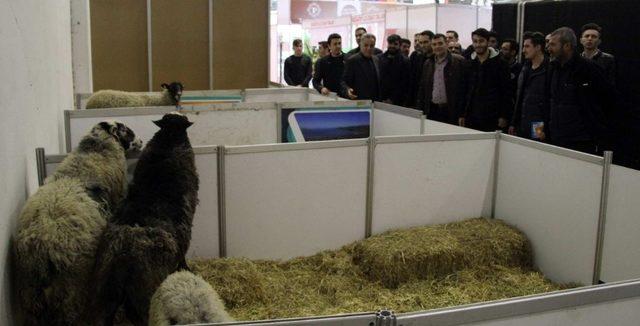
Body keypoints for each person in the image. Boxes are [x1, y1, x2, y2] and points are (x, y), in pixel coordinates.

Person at [546, 27, 616, 154]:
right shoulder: (553, 68)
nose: (548, 48)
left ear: (567, 46)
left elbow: (608, 102)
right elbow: (546, 101)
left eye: (552, 44)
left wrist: (599, 137)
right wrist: (540, 132)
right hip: (556, 139)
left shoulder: (589, 69)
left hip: (581, 142)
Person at [461, 28, 511, 132]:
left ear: (488, 42)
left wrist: (504, 115)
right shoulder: (469, 64)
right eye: (475, 41)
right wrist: (462, 114)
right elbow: (464, 90)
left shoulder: (501, 64)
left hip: (492, 116)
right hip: (472, 115)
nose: (478, 44)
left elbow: (506, 92)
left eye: (481, 41)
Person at [416, 34, 467, 125]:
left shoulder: (459, 62)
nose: (437, 47)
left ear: (446, 44)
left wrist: (462, 113)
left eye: (440, 43)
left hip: (451, 111)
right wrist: (420, 110)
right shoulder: (428, 63)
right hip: (432, 110)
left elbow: (464, 89)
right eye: (434, 44)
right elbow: (423, 89)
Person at [509, 32, 550, 141]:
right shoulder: (525, 68)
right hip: (522, 122)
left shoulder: (549, 69)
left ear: (538, 47)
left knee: (536, 151)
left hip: (539, 123)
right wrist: (514, 122)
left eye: (527, 46)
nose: (523, 50)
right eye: (523, 46)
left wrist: (545, 129)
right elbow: (520, 96)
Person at [341, 33, 381, 101]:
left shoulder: (376, 59)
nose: (369, 48)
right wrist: (347, 90)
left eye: (372, 46)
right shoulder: (352, 60)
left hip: (375, 102)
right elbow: (343, 81)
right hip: (359, 103)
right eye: (366, 45)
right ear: (360, 45)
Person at [378, 34, 410, 105]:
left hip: (397, 101)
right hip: (380, 99)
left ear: (399, 45)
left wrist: (392, 99)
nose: (392, 46)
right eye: (390, 43)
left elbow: (404, 83)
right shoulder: (379, 58)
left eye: (395, 44)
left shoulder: (405, 61)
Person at [406, 30, 435, 107]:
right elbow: (412, 81)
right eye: (421, 43)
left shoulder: (437, 59)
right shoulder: (416, 57)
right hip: (418, 100)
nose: (422, 45)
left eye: (425, 42)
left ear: (432, 42)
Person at [501, 38, 523, 121]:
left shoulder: (520, 69)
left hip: (512, 110)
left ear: (513, 52)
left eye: (505, 49)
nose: (501, 51)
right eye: (501, 48)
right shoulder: (497, 67)